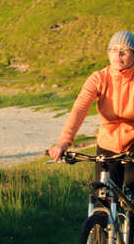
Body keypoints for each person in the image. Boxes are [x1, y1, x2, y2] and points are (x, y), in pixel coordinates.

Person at [48, 30, 134, 192]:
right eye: (113, 50)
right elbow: (80, 108)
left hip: (133, 144)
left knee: (131, 191)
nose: (118, 55)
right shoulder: (99, 78)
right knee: (103, 196)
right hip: (107, 145)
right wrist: (64, 141)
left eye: (125, 50)